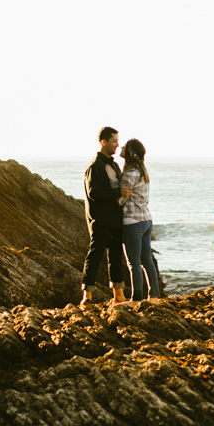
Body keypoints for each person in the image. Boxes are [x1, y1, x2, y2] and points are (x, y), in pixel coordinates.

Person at [81, 126, 129, 303]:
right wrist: (118, 192)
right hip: (100, 219)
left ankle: (119, 296)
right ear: (104, 142)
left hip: (116, 218)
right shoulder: (95, 165)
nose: (117, 145)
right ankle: (87, 297)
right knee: (95, 256)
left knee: (116, 257)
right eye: (114, 141)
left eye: (117, 141)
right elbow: (94, 193)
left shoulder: (114, 165)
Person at [117, 137, 162, 300]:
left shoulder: (129, 174)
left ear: (129, 153)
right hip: (146, 220)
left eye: (124, 146)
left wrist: (113, 195)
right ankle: (154, 297)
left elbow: (121, 200)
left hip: (132, 222)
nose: (120, 147)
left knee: (133, 263)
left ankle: (136, 299)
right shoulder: (143, 173)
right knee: (147, 261)